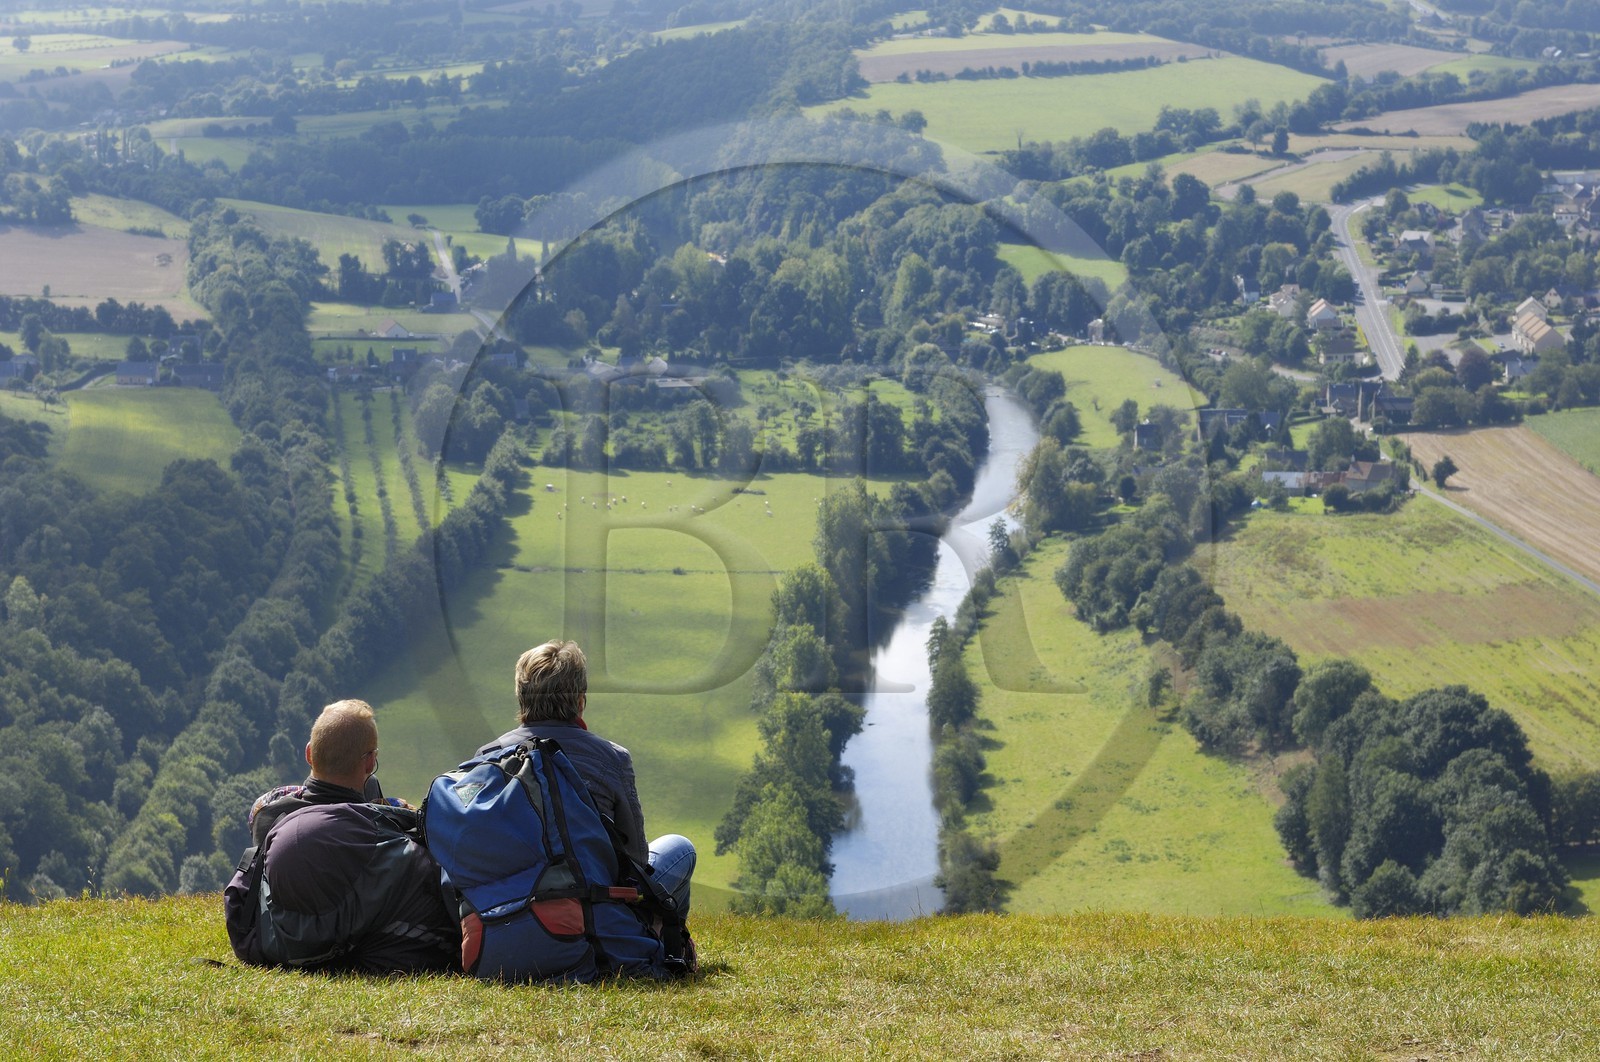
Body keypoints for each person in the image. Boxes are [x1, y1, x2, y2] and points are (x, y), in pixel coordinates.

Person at [227, 699, 457, 974]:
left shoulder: (266, 813)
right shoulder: (384, 816)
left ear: (309, 754)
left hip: (277, 939)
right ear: (370, 762)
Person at [479, 639, 696, 917]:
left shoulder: (487, 757)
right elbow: (637, 859)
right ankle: (668, 945)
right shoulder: (612, 758)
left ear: (521, 697)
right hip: (595, 910)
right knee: (681, 848)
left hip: (507, 910)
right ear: (580, 701)